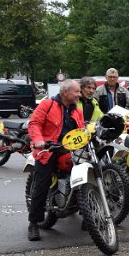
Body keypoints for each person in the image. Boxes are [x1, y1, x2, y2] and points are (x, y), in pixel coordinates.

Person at [27, 79, 85, 241]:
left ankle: (88, 213)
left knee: (87, 176)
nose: (79, 95)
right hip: (48, 149)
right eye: (77, 92)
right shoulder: (47, 105)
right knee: (42, 184)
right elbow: (34, 123)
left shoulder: (77, 110)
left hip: (70, 150)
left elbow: (82, 130)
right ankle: (33, 223)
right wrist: (38, 139)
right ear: (65, 92)